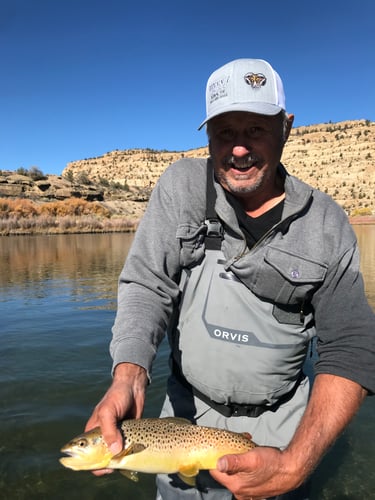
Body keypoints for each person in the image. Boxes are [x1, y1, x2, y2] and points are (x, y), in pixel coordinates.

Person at [86, 58, 375, 500]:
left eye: (256, 129)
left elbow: (351, 346)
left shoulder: (327, 224)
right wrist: (128, 375)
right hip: (180, 425)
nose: (239, 148)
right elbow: (147, 284)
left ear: (286, 127)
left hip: (279, 432)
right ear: (207, 135)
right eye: (225, 132)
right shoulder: (181, 187)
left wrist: (295, 464)